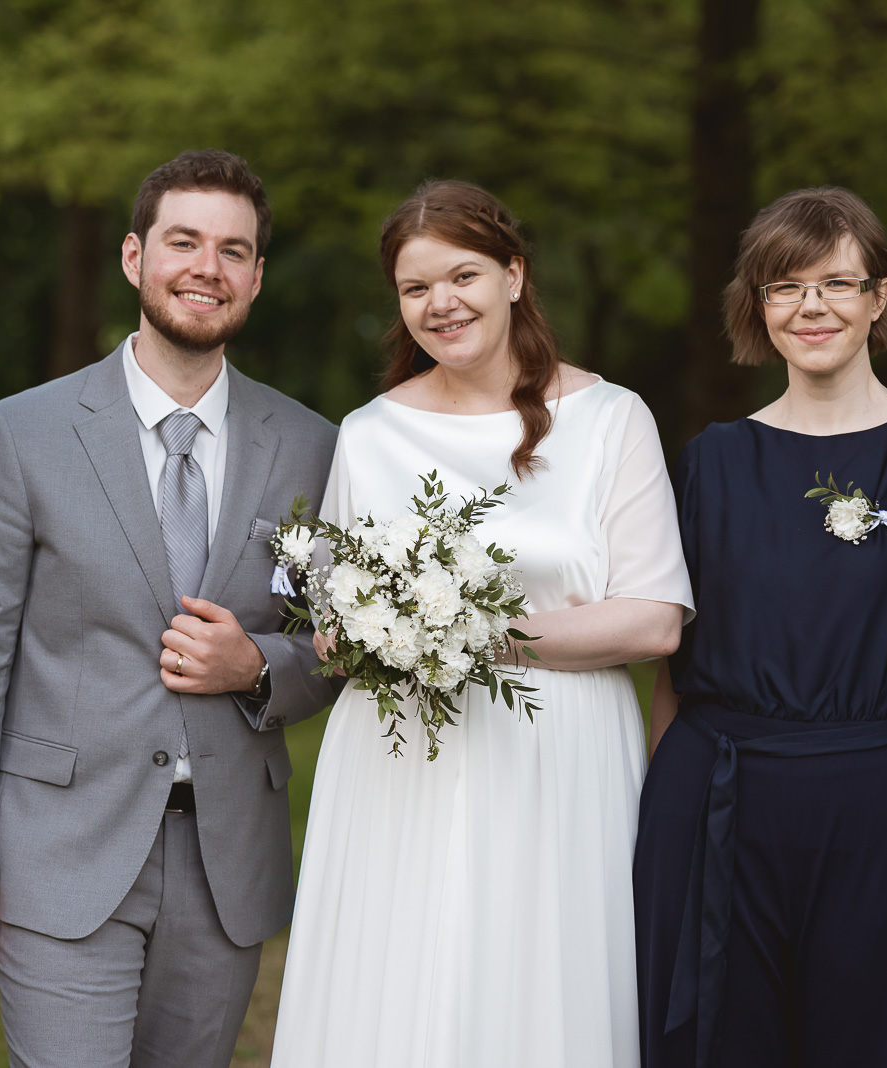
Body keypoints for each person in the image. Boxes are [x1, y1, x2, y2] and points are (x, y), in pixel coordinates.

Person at [0, 149, 340, 1068]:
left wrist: (259, 667)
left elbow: (338, 646)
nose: (207, 268)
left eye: (233, 250)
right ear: (133, 256)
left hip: (226, 860)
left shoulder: (313, 446)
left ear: (257, 276)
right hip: (61, 849)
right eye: (183, 242)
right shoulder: (21, 434)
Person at [271, 180, 694, 1068]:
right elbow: (334, 625)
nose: (441, 303)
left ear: (514, 276)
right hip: (398, 761)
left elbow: (656, 621)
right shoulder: (369, 432)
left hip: (560, 753)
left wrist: (476, 635)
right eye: (415, 288)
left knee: (541, 984)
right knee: (399, 986)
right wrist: (352, 634)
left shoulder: (611, 418)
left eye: (462, 276)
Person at [633, 186, 887, 1068]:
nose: (812, 307)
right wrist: (661, 832)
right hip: (719, 802)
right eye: (785, 286)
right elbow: (671, 675)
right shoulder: (710, 463)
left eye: (837, 283)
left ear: (880, 297)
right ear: (758, 305)